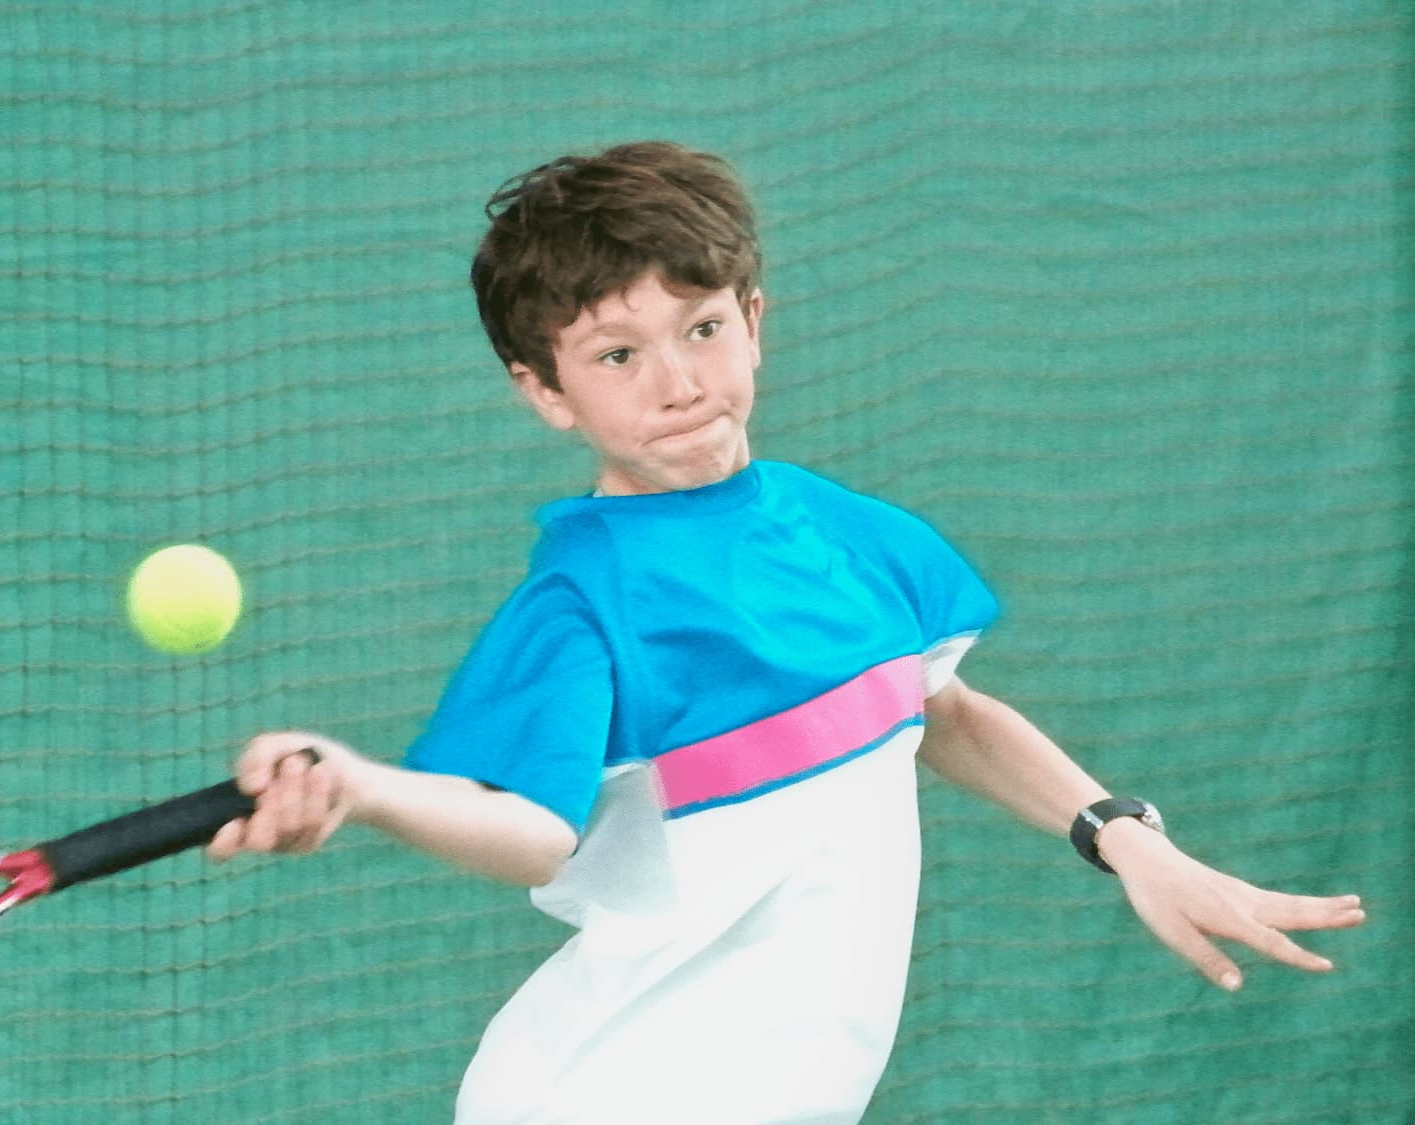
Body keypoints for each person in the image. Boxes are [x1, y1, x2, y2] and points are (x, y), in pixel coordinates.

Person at [207, 142, 1366, 1125]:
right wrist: (363, 786)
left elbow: (937, 713)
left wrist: (1127, 839)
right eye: (617, 354)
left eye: (702, 328)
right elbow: (524, 829)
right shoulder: (584, 599)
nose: (677, 380)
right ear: (545, 391)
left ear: (753, 321)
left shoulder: (848, 533)